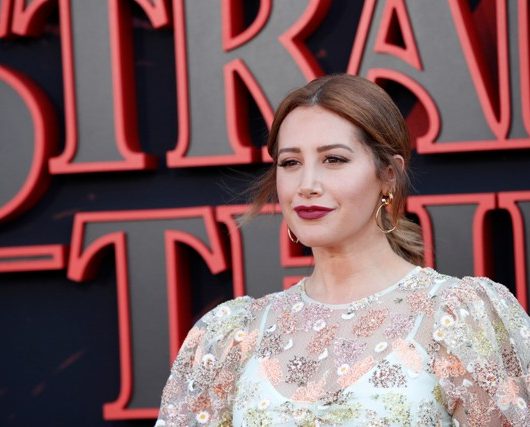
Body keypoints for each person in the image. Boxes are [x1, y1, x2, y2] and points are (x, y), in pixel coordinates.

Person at [155, 74, 530, 426]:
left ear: (388, 175)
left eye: (333, 159)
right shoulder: (233, 334)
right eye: (290, 163)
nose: (307, 184)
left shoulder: (457, 317)